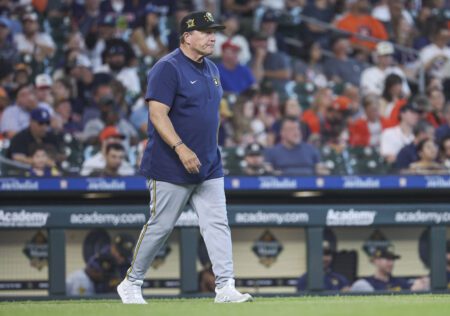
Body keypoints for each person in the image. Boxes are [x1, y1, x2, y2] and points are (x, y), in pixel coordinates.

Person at [117, 11, 252, 304]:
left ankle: (225, 286)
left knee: (217, 224)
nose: (212, 36)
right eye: (205, 32)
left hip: (209, 163)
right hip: (170, 164)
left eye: (214, 31)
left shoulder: (212, 69)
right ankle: (131, 282)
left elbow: (210, 116)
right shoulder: (167, 67)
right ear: (187, 37)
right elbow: (157, 114)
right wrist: (180, 147)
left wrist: (209, 150)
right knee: (160, 226)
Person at [66, 233, 135, 296]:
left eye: (124, 255)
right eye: (120, 253)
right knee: (81, 279)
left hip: (113, 292)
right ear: (113, 247)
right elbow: (89, 271)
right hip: (93, 287)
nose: (121, 258)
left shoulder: (128, 261)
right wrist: (104, 275)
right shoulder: (103, 254)